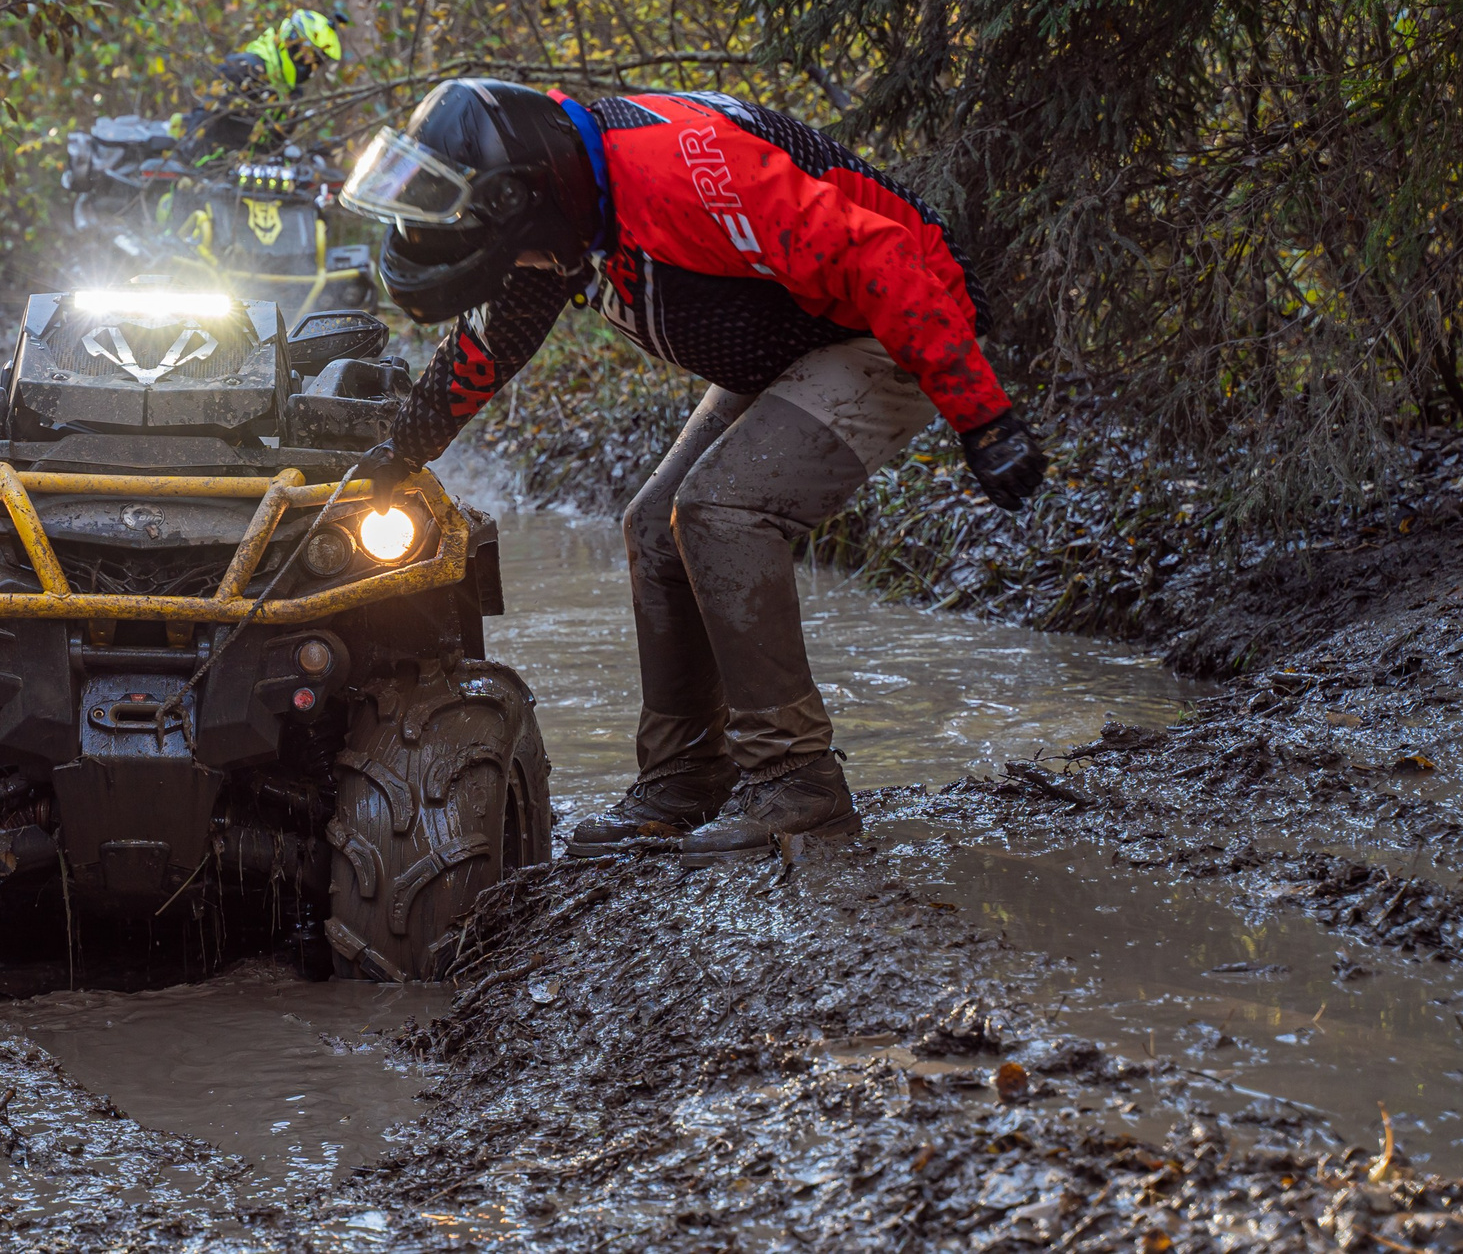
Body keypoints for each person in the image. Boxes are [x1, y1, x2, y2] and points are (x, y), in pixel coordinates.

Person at [340, 80, 1048, 855]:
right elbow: (488, 345)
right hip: (801, 330)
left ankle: (798, 782)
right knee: (653, 524)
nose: (527, 266)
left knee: (721, 511)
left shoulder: (684, 176)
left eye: (520, 251)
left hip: (898, 314)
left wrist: (982, 414)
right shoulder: (569, 194)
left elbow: (879, 252)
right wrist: (397, 453)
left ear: (530, 204)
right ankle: (683, 778)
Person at [183, 7, 347, 161]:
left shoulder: (293, 95)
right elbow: (203, 123)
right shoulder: (243, 69)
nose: (310, 65)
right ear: (291, 40)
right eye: (307, 56)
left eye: (317, 61)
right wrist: (195, 166)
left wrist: (306, 157)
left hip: (253, 181)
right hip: (213, 171)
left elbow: (275, 148)